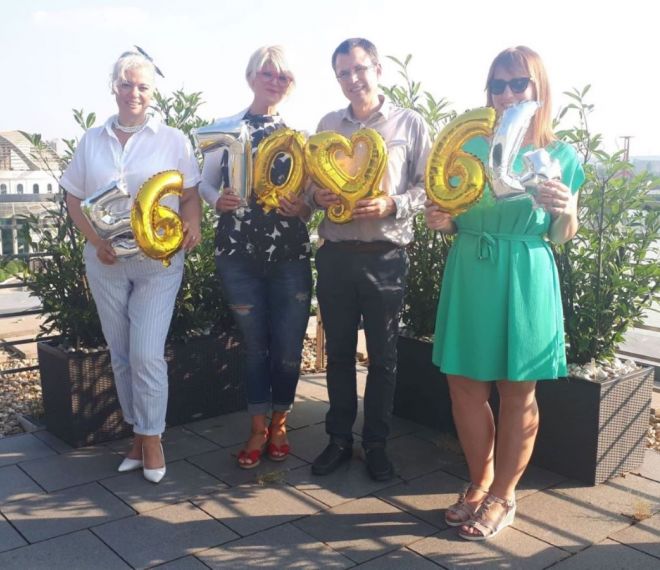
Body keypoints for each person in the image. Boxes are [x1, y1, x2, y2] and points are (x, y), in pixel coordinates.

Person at [425, 45, 585, 540]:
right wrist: (442, 221)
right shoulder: (466, 148)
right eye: (499, 84)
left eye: (519, 84)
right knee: (464, 386)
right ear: (488, 92)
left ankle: (503, 497)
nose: (508, 93)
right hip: (471, 266)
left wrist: (565, 208)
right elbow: (449, 217)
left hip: (525, 271)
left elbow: (562, 236)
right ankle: (479, 481)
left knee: (519, 391)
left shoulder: (560, 155)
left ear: (539, 90)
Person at [61, 50, 202, 484]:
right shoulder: (92, 139)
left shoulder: (172, 138)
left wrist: (193, 223)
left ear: (152, 92)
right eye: (126, 84)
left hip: (158, 262)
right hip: (105, 262)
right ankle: (137, 436)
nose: (133, 93)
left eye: (142, 86)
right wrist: (96, 240)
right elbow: (72, 197)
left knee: (145, 352)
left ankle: (153, 438)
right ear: (114, 88)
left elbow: (191, 193)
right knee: (120, 354)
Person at [309, 38, 431, 481]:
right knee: (338, 355)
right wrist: (317, 194)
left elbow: (428, 186)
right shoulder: (326, 125)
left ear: (377, 67)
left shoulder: (409, 123)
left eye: (359, 69)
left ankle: (376, 443)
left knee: (384, 358)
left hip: (386, 257)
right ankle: (338, 439)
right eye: (343, 72)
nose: (352, 79)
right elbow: (308, 189)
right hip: (337, 255)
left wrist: (393, 205)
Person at [199, 46, 312, 469]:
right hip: (238, 255)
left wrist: (302, 207)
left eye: (283, 76)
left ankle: (280, 422)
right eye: (268, 73)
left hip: (290, 255)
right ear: (251, 76)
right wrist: (217, 201)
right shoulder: (224, 130)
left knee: (286, 348)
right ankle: (256, 428)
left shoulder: (301, 137)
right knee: (253, 347)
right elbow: (203, 183)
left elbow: (310, 200)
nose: (275, 82)